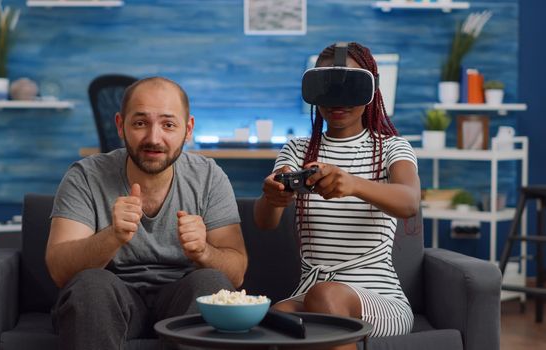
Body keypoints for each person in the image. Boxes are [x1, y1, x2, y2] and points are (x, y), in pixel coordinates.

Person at [46, 77, 248, 350]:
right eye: (140, 123)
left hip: (182, 297)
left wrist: (203, 252)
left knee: (211, 282)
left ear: (188, 129)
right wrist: (113, 237)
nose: (154, 138)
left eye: (168, 124)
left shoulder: (209, 177)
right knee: (91, 284)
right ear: (120, 125)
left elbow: (236, 274)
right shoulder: (85, 176)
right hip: (113, 298)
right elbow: (59, 271)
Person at [254, 42, 421, 348]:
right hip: (309, 293)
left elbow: (409, 202)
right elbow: (265, 222)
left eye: (351, 86)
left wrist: (354, 184)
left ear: (371, 90)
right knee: (273, 319)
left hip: (379, 299)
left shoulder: (392, 149)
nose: (338, 100)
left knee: (326, 294)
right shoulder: (298, 151)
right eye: (328, 86)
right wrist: (273, 196)